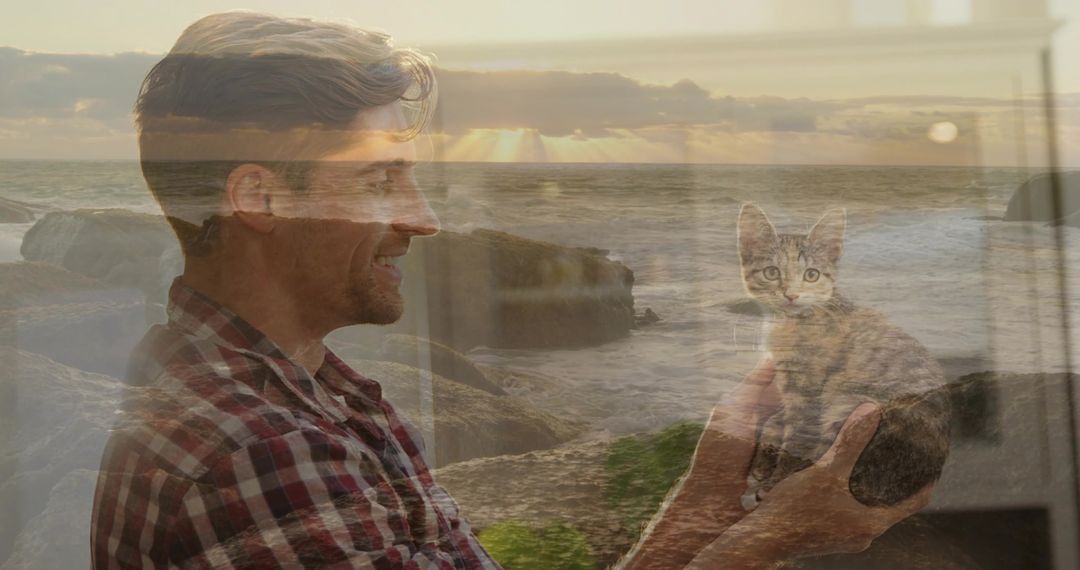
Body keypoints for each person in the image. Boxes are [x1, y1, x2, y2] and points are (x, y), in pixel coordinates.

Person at [90, 11, 930, 569]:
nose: (421, 220)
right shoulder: (255, 453)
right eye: (382, 180)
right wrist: (774, 535)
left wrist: (707, 504)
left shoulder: (313, 395)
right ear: (258, 199)